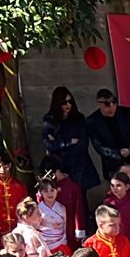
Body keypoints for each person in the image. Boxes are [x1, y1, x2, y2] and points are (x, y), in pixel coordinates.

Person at [40, 89, 98, 217]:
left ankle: (82, 230)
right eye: (63, 102)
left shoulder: (79, 119)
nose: (68, 105)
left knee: (80, 199)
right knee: (59, 197)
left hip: (78, 165)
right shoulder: (49, 120)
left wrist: (58, 143)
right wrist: (67, 142)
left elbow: (82, 144)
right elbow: (49, 145)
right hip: (59, 165)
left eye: (70, 101)